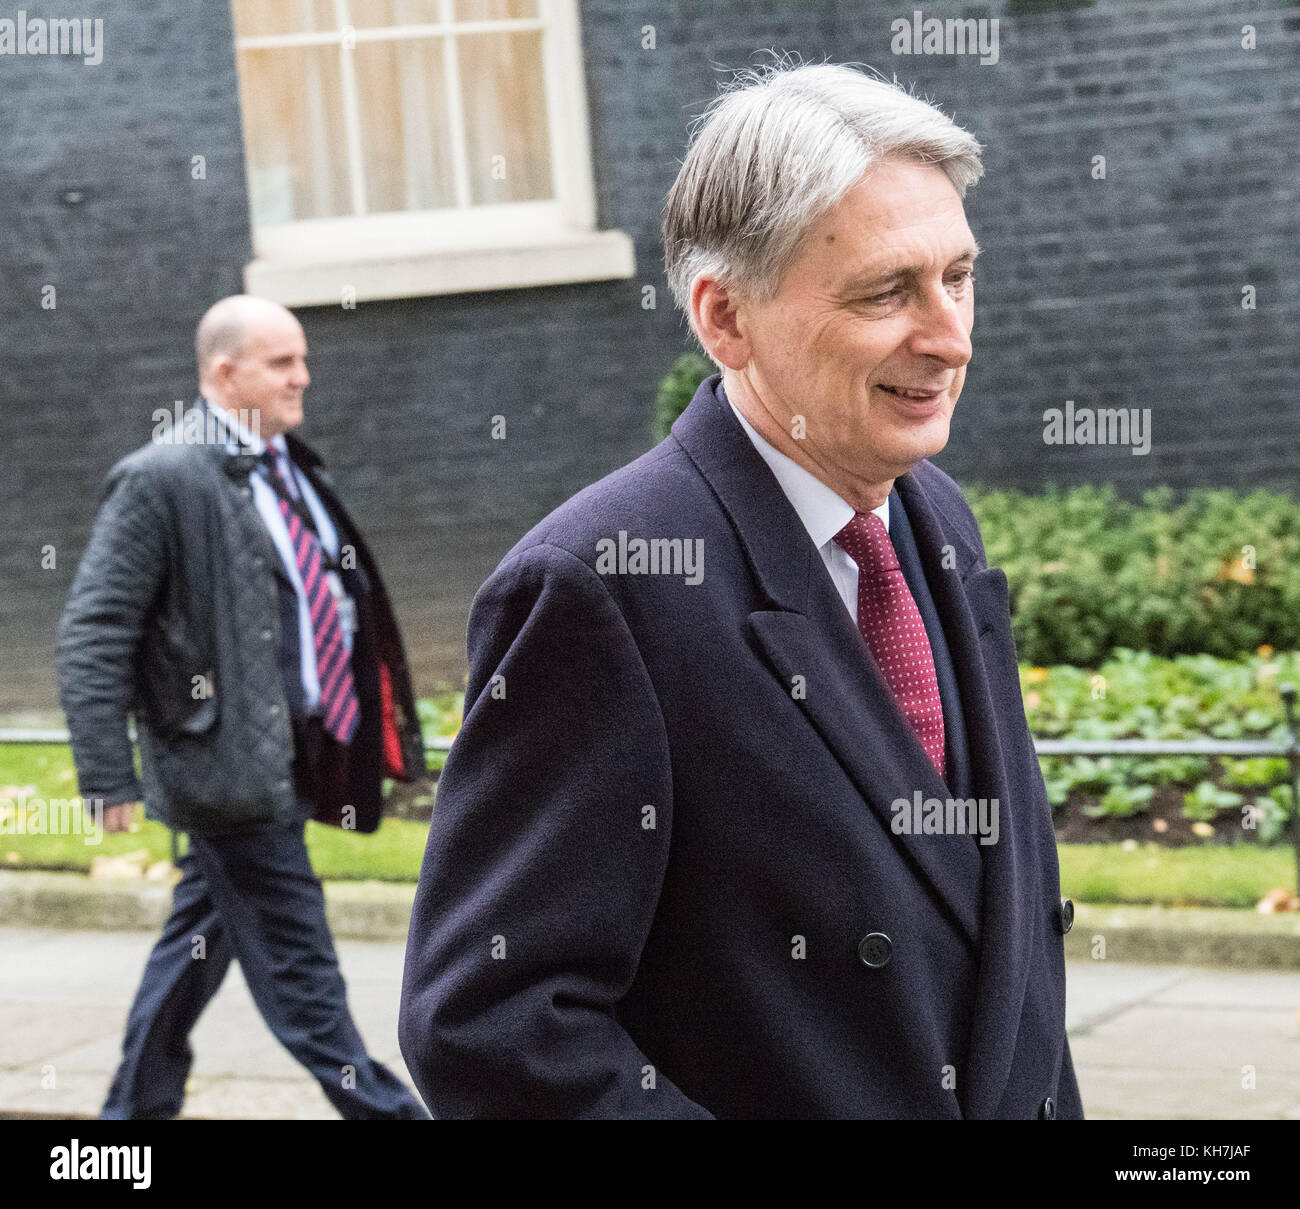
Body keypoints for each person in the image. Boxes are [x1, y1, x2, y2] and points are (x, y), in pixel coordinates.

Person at [398, 62, 1083, 1119]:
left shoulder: (934, 515)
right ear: (726, 320)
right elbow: (492, 1026)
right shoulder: (601, 589)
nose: (949, 336)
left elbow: (1000, 944)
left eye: (959, 276)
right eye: (886, 292)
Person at [57, 295, 429, 1120]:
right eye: (282, 363)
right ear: (224, 375)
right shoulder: (162, 478)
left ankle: (129, 1120)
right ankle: (390, 1113)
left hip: (288, 753)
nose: (304, 377)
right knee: (302, 967)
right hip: (225, 769)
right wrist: (106, 774)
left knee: (196, 940)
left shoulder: (282, 461)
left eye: (302, 359)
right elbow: (95, 629)